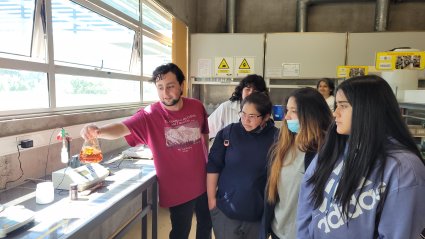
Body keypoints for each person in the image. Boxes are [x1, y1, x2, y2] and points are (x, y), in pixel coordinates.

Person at [80, 63, 212, 239]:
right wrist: (99, 131)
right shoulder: (149, 115)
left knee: (206, 226)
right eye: (160, 88)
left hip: (204, 181)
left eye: (171, 86)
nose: (165, 93)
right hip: (179, 188)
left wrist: (209, 168)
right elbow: (122, 128)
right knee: (181, 231)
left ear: (181, 85)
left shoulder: (196, 106)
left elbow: (204, 136)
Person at [297, 75, 425, 238]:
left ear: (367, 109)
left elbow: (398, 233)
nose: (335, 113)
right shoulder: (335, 148)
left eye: (343, 106)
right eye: (336, 105)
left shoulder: (404, 169)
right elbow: (307, 202)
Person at [260, 88, 332, 239]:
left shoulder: (327, 151)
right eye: (287, 110)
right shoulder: (283, 145)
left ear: (311, 114)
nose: (286, 116)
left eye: (293, 111)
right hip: (278, 231)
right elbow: (272, 193)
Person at [207, 92, 278, 239]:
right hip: (226, 211)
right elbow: (214, 166)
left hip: (258, 214)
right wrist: (211, 200)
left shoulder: (276, 138)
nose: (245, 120)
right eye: (243, 113)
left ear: (266, 117)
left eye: (252, 116)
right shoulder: (229, 133)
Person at [208, 74, 267, 139]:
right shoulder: (226, 107)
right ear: (241, 91)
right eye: (247, 89)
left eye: (255, 91)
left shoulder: (264, 109)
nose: (251, 93)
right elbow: (207, 131)